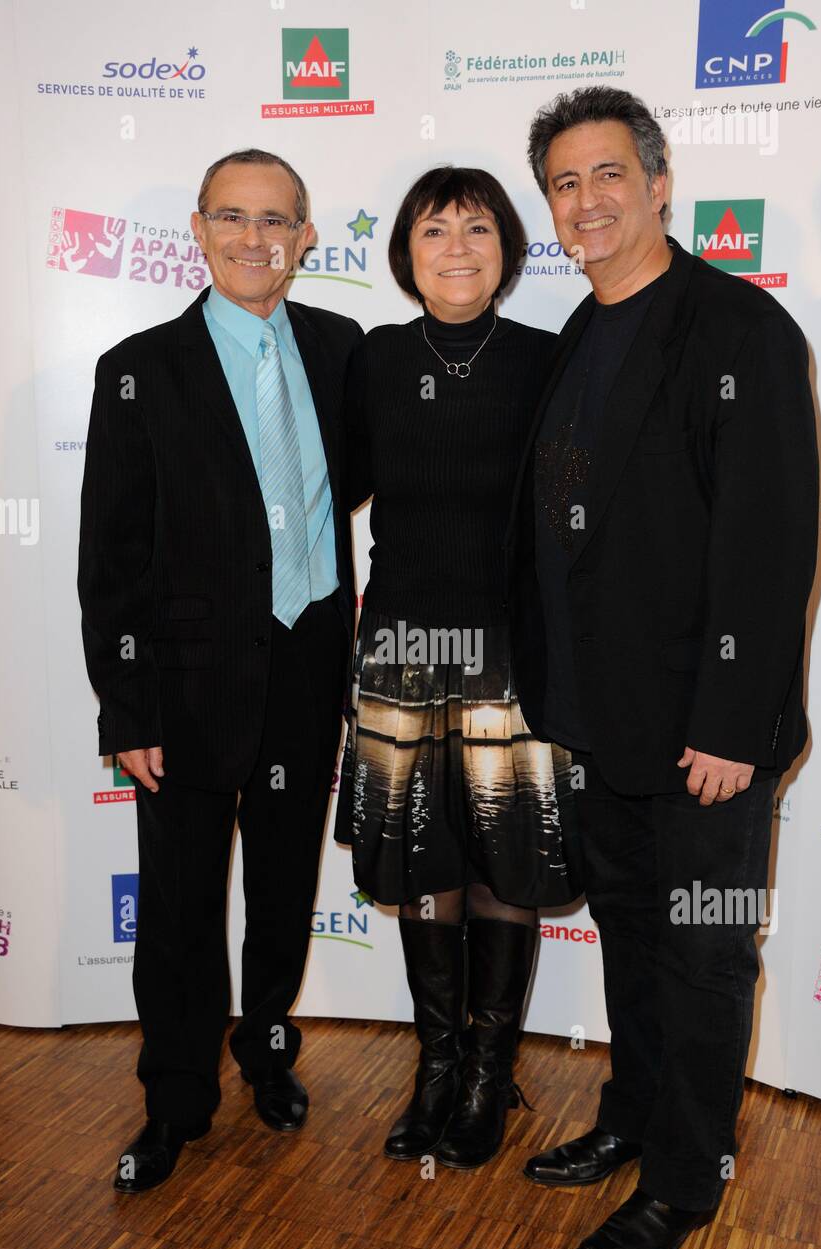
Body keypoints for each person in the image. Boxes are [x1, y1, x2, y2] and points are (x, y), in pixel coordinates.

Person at [507, 87, 819, 1249]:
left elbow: (769, 539)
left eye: (604, 177)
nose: (583, 204)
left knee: (700, 956)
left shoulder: (735, 328)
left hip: (706, 735)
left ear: (655, 183)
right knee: (634, 939)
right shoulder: (580, 330)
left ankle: (686, 1178)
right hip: (599, 720)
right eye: (562, 185)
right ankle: (629, 1120)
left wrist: (733, 724)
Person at [78, 148, 362, 1193]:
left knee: (284, 893)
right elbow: (110, 561)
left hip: (304, 668)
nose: (255, 238)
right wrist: (128, 704)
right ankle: (174, 1099)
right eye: (233, 218)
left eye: (276, 219)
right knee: (182, 905)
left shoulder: (342, 352)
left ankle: (267, 1052)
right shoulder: (138, 367)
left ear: (305, 236)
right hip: (184, 687)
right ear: (198, 230)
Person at [335, 166, 581, 1171]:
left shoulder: (544, 358)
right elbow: (327, 488)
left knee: (501, 862)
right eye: (434, 230)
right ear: (405, 252)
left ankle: (487, 1072)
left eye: (476, 228)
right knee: (422, 859)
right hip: (398, 643)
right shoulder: (374, 360)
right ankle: (433, 1067)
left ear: (507, 248)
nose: (456, 248)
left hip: (507, 647)